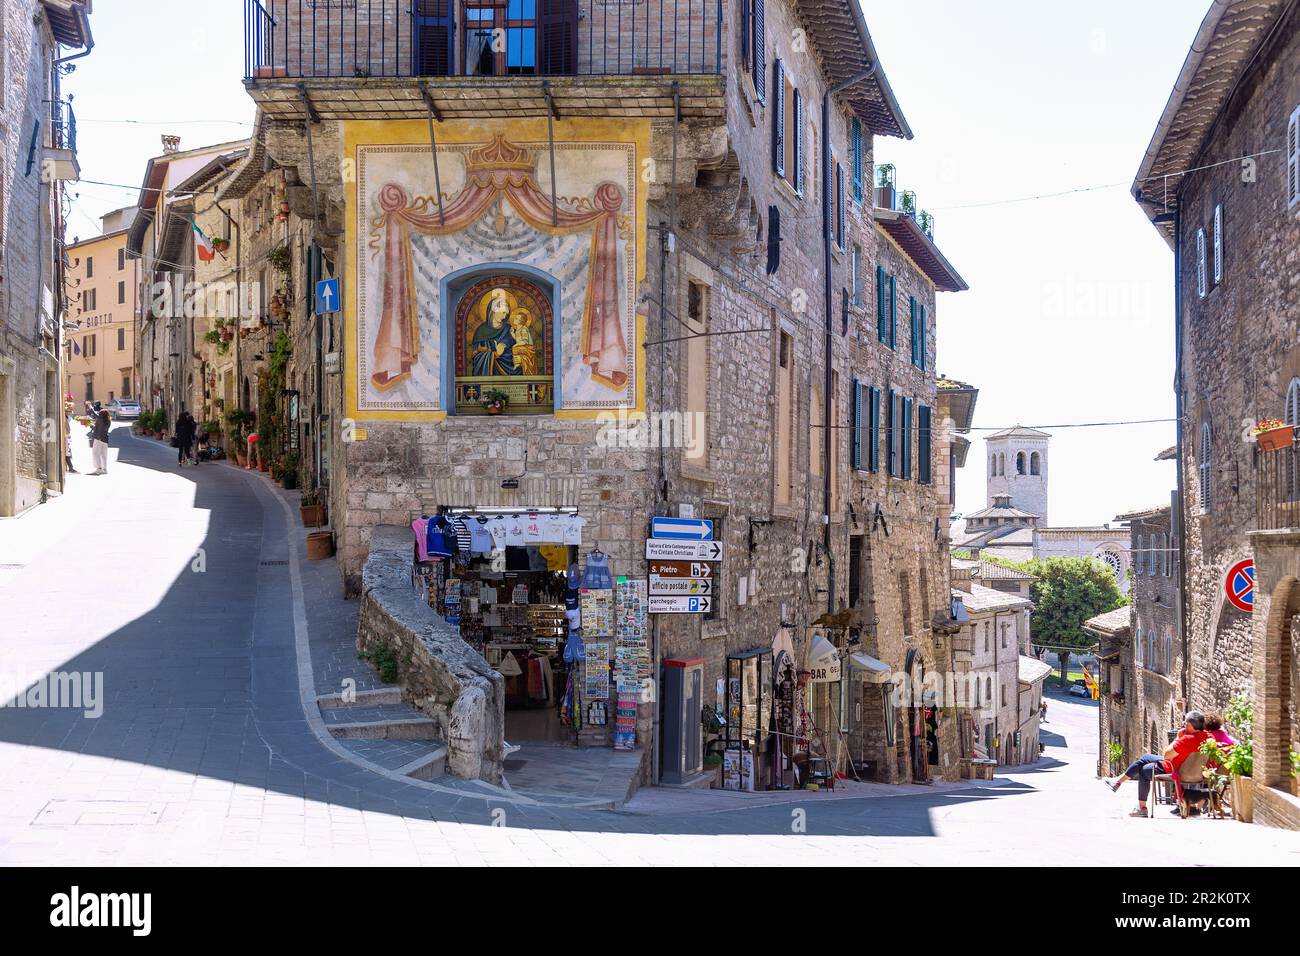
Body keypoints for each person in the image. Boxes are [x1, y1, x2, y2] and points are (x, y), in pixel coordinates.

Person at [1104, 711, 1210, 817]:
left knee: (1144, 770)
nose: (1184, 724)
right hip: (1195, 772)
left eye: (1186, 723)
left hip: (1172, 768)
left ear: (1192, 726)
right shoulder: (1208, 737)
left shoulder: (1186, 739)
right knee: (1145, 758)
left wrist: (1178, 737)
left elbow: (1166, 755)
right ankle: (1118, 782)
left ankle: (1142, 808)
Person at [89, 408, 111, 475]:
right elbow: (101, 427)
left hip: (99, 438)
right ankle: (104, 469)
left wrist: (91, 408)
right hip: (105, 439)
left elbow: (99, 428)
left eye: (100, 414)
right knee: (104, 454)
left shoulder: (101, 419)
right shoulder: (108, 420)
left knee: (96, 453)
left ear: (101, 415)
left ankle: (99, 468)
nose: (99, 415)